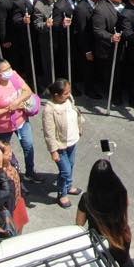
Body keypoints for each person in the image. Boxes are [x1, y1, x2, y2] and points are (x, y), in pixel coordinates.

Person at [76, 159, 133, 267]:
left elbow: (79, 224)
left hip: (98, 241)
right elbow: (126, 205)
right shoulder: (121, 192)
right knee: (125, 262)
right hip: (120, 237)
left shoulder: (86, 199)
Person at [0, 60, 37, 181]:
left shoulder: (14, 76)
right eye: (5, 70)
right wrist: (9, 108)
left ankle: (30, 172)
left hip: (21, 121)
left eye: (10, 67)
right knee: (6, 153)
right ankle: (14, 174)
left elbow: (27, 91)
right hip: (2, 127)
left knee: (28, 145)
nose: (9, 71)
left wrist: (17, 102)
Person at [40, 79, 81, 208]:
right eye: (65, 93)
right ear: (56, 95)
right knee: (65, 171)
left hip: (72, 141)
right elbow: (49, 132)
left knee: (71, 165)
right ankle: (62, 193)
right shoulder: (49, 109)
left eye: (69, 92)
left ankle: (68, 186)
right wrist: (53, 151)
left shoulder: (68, 100)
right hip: (60, 146)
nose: (68, 95)